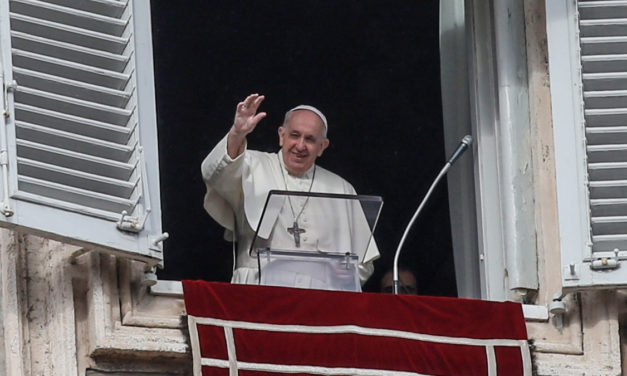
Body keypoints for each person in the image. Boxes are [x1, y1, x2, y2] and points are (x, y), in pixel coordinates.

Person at [201, 93, 380, 289]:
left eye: (310, 139)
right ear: (281, 135)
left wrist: (341, 276)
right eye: (294, 135)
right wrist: (237, 133)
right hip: (259, 289)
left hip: (319, 299)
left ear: (322, 146)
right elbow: (214, 173)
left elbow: (364, 262)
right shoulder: (252, 165)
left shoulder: (341, 188)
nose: (300, 145)